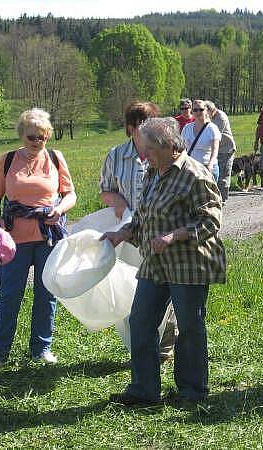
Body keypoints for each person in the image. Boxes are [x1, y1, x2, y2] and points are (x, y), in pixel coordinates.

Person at [102, 117, 226, 405]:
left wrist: (175, 236)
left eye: (149, 150)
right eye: (142, 149)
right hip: (155, 264)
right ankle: (144, 389)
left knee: (189, 327)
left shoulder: (195, 175)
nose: (143, 156)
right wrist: (122, 234)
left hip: (188, 264)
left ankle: (192, 391)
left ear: (170, 146)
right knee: (141, 321)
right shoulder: (153, 172)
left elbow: (211, 221)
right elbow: (145, 217)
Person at [0, 108, 77, 370]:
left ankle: (41, 349)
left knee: (46, 294)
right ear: (22, 135)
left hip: (47, 237)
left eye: (42, 137)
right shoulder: (8, 160)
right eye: (32, 137)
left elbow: (70, 194)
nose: (37, 142)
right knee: (10, 295)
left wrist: (59, 209)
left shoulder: (56, 159)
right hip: (14, 240)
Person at [99, 100, 178, 364]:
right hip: (129, 234)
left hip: (159, 233)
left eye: (150, 124)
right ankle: (138, 347)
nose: (144, 130)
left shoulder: (165, 153)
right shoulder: (116, 155)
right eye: (139, 125)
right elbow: (105, 189)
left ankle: (165, 345)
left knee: (162, 288)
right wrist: (118, 203)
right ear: (130, 127)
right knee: (129, 290)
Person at [181, 99, 221, 181]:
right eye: (195, 110)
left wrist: (210, 164)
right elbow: (181, 148)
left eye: (201, 109)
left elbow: (215, 151)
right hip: (191, 168)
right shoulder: (187, 128)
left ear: (206, 110)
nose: (198, 112)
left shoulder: (212, 128)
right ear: (192, 111)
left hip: (207, 168)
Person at [205, 100, 236, 203]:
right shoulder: (208, 117)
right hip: (214, 150)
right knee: (213, 174)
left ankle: (222, 199)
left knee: (223, 174)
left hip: (226, 149)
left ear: (211, 110)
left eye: (206, 111)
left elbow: (214, 135)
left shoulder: (220, 117)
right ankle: (213, 197)